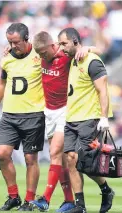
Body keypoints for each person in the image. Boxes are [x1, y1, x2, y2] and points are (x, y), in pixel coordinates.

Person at [29, 31, 103, 213]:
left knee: (55, 151)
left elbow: (97, 50)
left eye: (44, 53)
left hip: (65, 110)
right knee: (62, 160)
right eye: (39, 54)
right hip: (48, 111)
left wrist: (88, 48)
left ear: (53, 45)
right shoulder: (40, 54)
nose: (42, 57)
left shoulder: (66, 55)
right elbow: (24, 51)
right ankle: (69, 200)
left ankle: (45, 199)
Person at [0, 23, 45, 211]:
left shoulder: (40, 55)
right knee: (2, 154)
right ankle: (14, 197)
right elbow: (2, 83)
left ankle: (29, 200)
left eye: (16, 42)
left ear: (27, 38)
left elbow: (59, 48)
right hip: (10, 115)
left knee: (30, 160)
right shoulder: (7, 59)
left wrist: (87, 48)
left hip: (33, 115)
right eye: (9, 42)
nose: (12, 46)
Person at [58, 27, 115, 213]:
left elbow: (103, 90)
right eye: (60, 44)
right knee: (70, 160)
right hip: (72, 118)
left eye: (64, 43)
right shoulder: (73, 59)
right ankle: (80, 206)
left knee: (85, 163)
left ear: (75, 41)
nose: (61, 48)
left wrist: (104, 118)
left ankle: (106, 190)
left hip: (89, 118)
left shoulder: (92, 61)